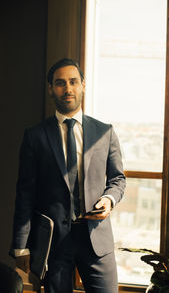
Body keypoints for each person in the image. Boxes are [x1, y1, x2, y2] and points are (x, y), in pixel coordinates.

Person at [10, 58, 126, 293]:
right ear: (51, 88)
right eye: (60, 83)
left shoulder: (105, 132)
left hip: (96, 239)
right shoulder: (35, 136)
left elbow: (118, 179)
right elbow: (25, 193)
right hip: (54, 243)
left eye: (73, 82)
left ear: (83, 84)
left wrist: (109, 200)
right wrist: (21, 245)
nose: (68, 88)